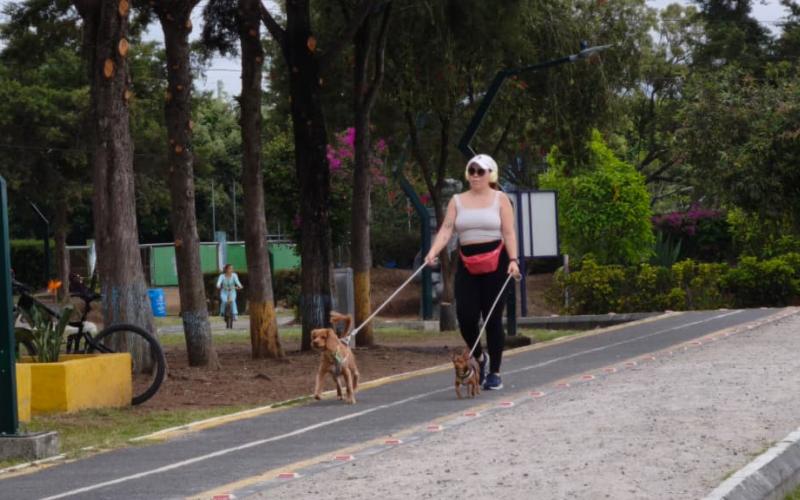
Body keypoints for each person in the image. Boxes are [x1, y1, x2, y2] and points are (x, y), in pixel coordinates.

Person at [424, 154, 520, 390]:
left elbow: (508, 232)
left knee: (492, 319)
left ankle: (495, 372)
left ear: (491, 174)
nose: (475, 175)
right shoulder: (457, 200)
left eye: (481, 171)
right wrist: (432, 252)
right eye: (472, 171)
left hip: (497, 262)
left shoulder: (501, 199)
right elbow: (447, 230)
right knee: (466, 318)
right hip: (468, 262)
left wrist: (514, 260)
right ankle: (480, 356)